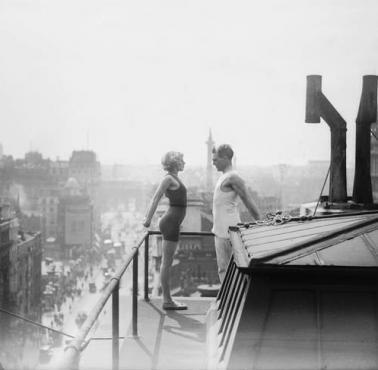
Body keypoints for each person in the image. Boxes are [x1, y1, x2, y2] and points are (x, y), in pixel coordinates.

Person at [143, 151, 188, 310]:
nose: (184, 162)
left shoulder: (174, 178)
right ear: (175, 162)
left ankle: (168, 299)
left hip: (173, 222)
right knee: (166, 263)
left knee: (167, 262)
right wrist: (148, 220)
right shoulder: (168, 178)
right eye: (182, 160)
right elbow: (155, 198)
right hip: (170, 223)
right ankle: (167, 301)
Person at [212, 144, 261, 283]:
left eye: (216, 159)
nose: (213, 163)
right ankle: (228, 302)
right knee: (223, 269)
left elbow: (248, 199)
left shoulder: (233, 177)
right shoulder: (224, 177)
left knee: (232, 270)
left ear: (226, 158)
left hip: (229, 233)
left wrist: (260, 222)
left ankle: (235, 302)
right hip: (221, 232)